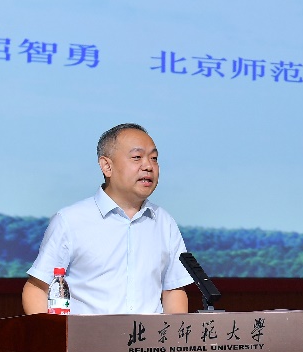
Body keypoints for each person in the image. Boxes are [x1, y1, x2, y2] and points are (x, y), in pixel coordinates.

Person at [22, 123, 193, 315]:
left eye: (154, 158)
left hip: (149, 335)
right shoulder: (71, 220)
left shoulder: (164, 222)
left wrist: (175, 334)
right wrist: (50, 333)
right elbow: (37, 287)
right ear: (107, 166)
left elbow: (173, 289)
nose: (148, 166)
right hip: (88, 334)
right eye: (137, 157)